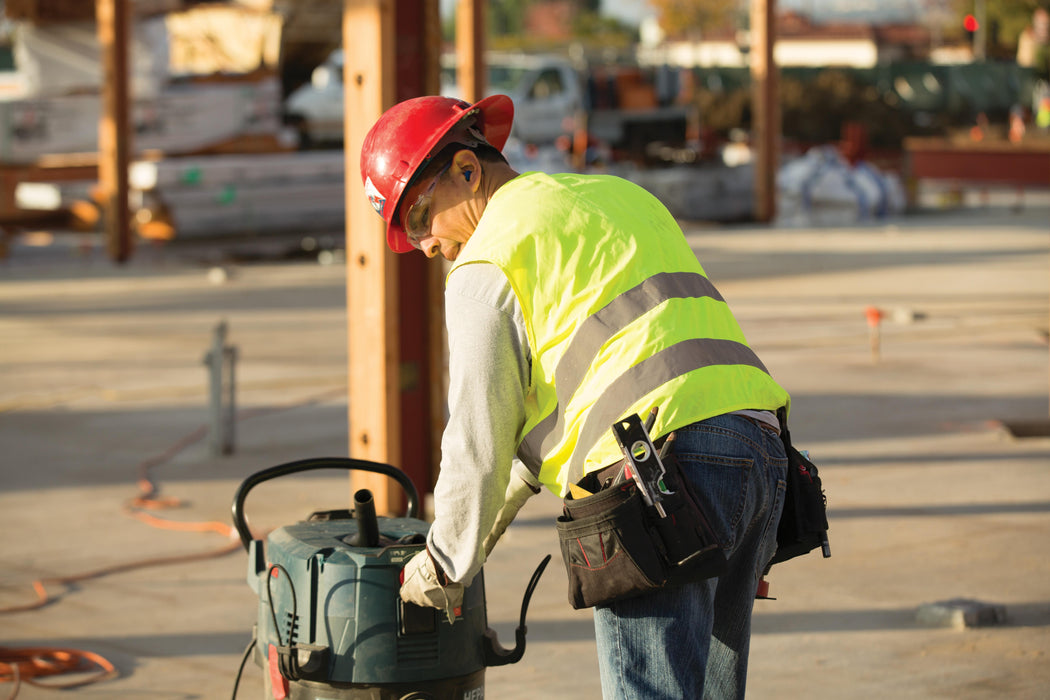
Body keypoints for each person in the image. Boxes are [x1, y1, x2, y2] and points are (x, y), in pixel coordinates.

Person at [359, 94, 790, 699]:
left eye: (419, 217)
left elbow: (477, 437)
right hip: (758, 451)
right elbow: (517, 444)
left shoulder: (487, 263)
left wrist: (447, 562)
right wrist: (464, 544)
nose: (426, 245)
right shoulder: (620, 195)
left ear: (466, 169)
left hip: (655, 478)